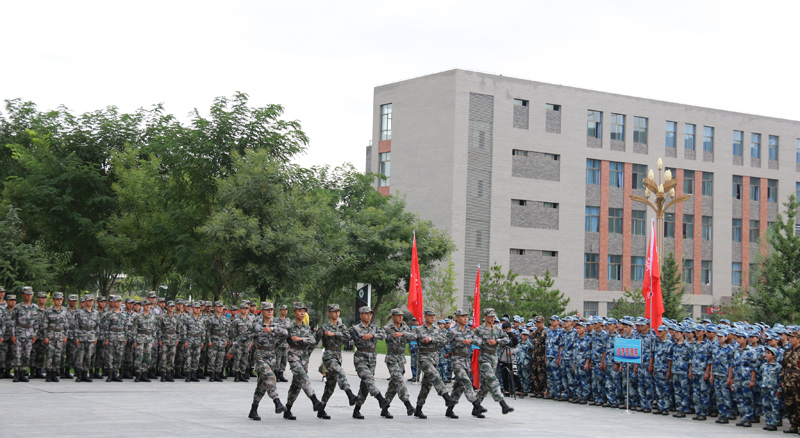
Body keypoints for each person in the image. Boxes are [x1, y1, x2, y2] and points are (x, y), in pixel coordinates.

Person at [228, 301, 288, 421]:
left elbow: (285, 333)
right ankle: (277, 402)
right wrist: (231, 351)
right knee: (271, 377)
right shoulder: (256, 325)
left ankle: (253, 410)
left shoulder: (275, 324)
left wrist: (272, 330)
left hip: (272, 357)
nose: (270, 312)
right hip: (260, 357)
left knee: (262, 385)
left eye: (271, 310)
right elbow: (243, 338)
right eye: (267, 310)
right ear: (262, 311)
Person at [316, 304, 360, 419]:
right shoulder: (324, 327)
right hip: (328, 356)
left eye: (338, 311)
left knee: (331, 384)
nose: (336, 313)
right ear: (329, 313)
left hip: (338, 356)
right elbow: (314, 340)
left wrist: (334, 333)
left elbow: (347, 336)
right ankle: (350, 394)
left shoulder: (342, 326)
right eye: (334, 311)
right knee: (340, 371)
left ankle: (321, 409)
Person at [412, 309, 457, 419]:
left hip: (434, 358)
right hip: (424, 358)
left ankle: (418, 409)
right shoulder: (418, 329)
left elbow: (444, 340)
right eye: (430, 315)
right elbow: (411, 337)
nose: (432, 317)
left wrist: (431, 339)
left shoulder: (437, 329)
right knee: (435, 376)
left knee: (426, 385)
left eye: (434, 315)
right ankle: (446, 397)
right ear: (425, 317)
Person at [284, 302, 324, 420]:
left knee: (296, 385)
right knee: (303, 377)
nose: (302, 313)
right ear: (294, 312)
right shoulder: (289, 327)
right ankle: (315, 400)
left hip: (304, 358)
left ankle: (287, 409)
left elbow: (313, 340)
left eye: (304, 311)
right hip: (294, 356)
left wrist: (301, 339)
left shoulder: (306, 327)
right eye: (299, 311)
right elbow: (285, 339)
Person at [350, 305, 390, 419]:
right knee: (369, 379)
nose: (369, 316)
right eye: (366, 314)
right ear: (361, 315)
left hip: (372, 359)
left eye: (370, 314)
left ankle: (357, 410)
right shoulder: (355, 328)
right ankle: (380, 399)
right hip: (360, 358)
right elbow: (346, 337)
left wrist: (372, 335)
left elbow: (384, 335)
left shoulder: (374, 328)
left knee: (365, 385)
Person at [446, 308, 486, 419]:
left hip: (467, 361)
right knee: (466, 382)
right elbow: (443, 341)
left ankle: (449, 410)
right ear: (457, 318)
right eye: (462, 316)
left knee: (459, 387)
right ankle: (476, 405)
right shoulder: (452, 332)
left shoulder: (469, 332)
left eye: (466, 316)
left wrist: (471, 341)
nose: (465, 318)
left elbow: (480, 341)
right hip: (457, 360)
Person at [473, 308, 514, 416]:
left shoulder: (498, 328)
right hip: (484, 357)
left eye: (493, 316)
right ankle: (503, 404)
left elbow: (507, 339)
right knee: (492, 379)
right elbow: (474, 341)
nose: (492, 318)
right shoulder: (479, 330)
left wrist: (497, 341)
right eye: (490, 316)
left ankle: (476, 407)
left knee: (486, 384)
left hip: (494, 357)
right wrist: (483, 342)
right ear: (485, 317)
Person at [382, 308, 416, 417]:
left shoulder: (405, 328)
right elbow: (382, 336)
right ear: (393, 317)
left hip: (401, 358)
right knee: (400, 380)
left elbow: (414, 336)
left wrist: (402, 334)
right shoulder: (387, 328)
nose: (400, 317)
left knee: (393, 384)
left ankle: (385, 407)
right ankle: (408, 405)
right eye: (398, 315)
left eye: (401, 315)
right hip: (391, 358)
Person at [729, 329, 757, 427]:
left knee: (747, 399)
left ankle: (748, 419)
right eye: (737, 338)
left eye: (740, 338)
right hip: (737, 378)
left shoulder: (751, 351)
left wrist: (752, 380)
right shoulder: (735, 350)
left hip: (747, 378)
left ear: (745, 339)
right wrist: (731, 378)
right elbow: (732, 365)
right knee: (739, 399)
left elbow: (753, 367)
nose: (738, 340)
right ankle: (742, 418)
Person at [42, 292, 68, 382]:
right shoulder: (48, 311)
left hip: (60, 336)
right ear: (53, 300)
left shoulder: (65, 311)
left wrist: (65, 336)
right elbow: (44, 325)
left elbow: (66, 325)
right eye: (57, 299)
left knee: (58, 356)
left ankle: (54, 373)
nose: (59, 301)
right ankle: (48, 374)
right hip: (51, 335)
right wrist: (45, 337)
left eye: (60, 299)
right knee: (49, 355)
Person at [73, 294, 99, 383]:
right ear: (85, 301)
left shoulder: (96, 313)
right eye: (88, 301)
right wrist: (76, 337)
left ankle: (85, 374)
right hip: (82, 337)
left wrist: (96, 337)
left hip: (91, 337)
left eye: (92, 301)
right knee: (80, 356)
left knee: (88, 357)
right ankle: (79, 375)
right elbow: (76, 326)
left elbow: (97, 326)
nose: (90, 302)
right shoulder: (79, 313)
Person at [100, 295, 126, 382]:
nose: (118, 303)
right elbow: (105, 328)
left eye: (120, 301)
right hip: (111, 338)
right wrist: (106, 339)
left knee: (119, 357)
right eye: (117, 301)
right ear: (113, 303)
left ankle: (115, 373)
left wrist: (125, 337)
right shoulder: (109, 314)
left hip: (120, 338)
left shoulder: (124, 314)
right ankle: (110, 374)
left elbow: (126, 327)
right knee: (110, 357)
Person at [132, 300, 157, 382]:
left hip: (149, 338)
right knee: (139, 356)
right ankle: (137, 374)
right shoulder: (138, 316)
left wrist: (153, 338)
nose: (148, 306)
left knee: (148, 357)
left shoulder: (152, 316)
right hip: (140, 338)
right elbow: (134, 329)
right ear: (143, 306)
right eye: (146, 305)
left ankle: (144, 374)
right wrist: (135, 340)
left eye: (149, 305)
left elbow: (154, 329)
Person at [205, 301, 229, 382]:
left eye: (221, 307)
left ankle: (217, 374)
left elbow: (226, 331)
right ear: (215, 307)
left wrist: (226, 339)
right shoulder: (211, 318)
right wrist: (209, 341)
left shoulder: (224, 319)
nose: (220, 308)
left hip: (222, 340)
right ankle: (211, 374)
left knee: (220, 358)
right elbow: (208, 331)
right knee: (212, 358)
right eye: (219, 307)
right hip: (214, 340)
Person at [158, 301, 181, 382]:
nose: (172, 308)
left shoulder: (177, 317)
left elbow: (178, 329)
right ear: (167, 307)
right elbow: (159, 329)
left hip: (173, 339)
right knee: (163, 357)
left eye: (173, 306)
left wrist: (177, 339)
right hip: (165, 338)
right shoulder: (162, 317)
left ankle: (169, 374)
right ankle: (162, 374)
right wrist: (160, 339)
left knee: (171, 358)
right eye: (170, 306)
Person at [760, 346, 782, 431]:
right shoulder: (764, 366)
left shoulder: (778, 366)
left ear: (774, 355)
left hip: (773, 389)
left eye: (768, 353)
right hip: (765, 388)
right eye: (766, 353)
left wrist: (779, 389)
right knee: (766, 406)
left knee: (774, 406)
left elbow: (780, 379)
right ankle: (768, 422)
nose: (766, 355)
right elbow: (761, 376)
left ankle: (774, 423)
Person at [183, 302, 205, 382]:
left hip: (198, 340)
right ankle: (188, 375)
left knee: (196, 358)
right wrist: (185, 341)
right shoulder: (188, 318)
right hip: (190, 339)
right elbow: (184, 330)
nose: (197, 309)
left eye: (199, 308)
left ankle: (194, 375)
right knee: (188, 358)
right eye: (196, 308)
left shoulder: (201, 319)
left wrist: (202, 341)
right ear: (192, 308)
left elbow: (203, 331)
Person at [274, 304, 291, 383]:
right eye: (283, 310)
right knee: (278, 359)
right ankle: (276, 374)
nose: (285, 311)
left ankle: (281, 374)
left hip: (286, 343)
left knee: (284, 359)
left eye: (286, 310)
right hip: (278, 343)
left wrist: (290, 343)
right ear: (280, 311)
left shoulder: (288, 320)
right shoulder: (276, 320)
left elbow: (290, 332)